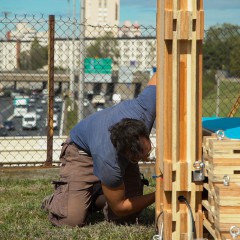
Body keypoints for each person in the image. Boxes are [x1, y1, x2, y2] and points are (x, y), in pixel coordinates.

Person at [42, 73, 157, 227]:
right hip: (82, 152)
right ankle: (58, 200)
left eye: (148, 151)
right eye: (141, 157)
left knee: (127, 219)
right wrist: (157, 195)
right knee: (71, 220)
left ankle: (95, 196)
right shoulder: (109, 160)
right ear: (126, 154)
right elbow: (120, 207)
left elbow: (162, 72)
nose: (148, 158)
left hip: (106, 147)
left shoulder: (144, 108)